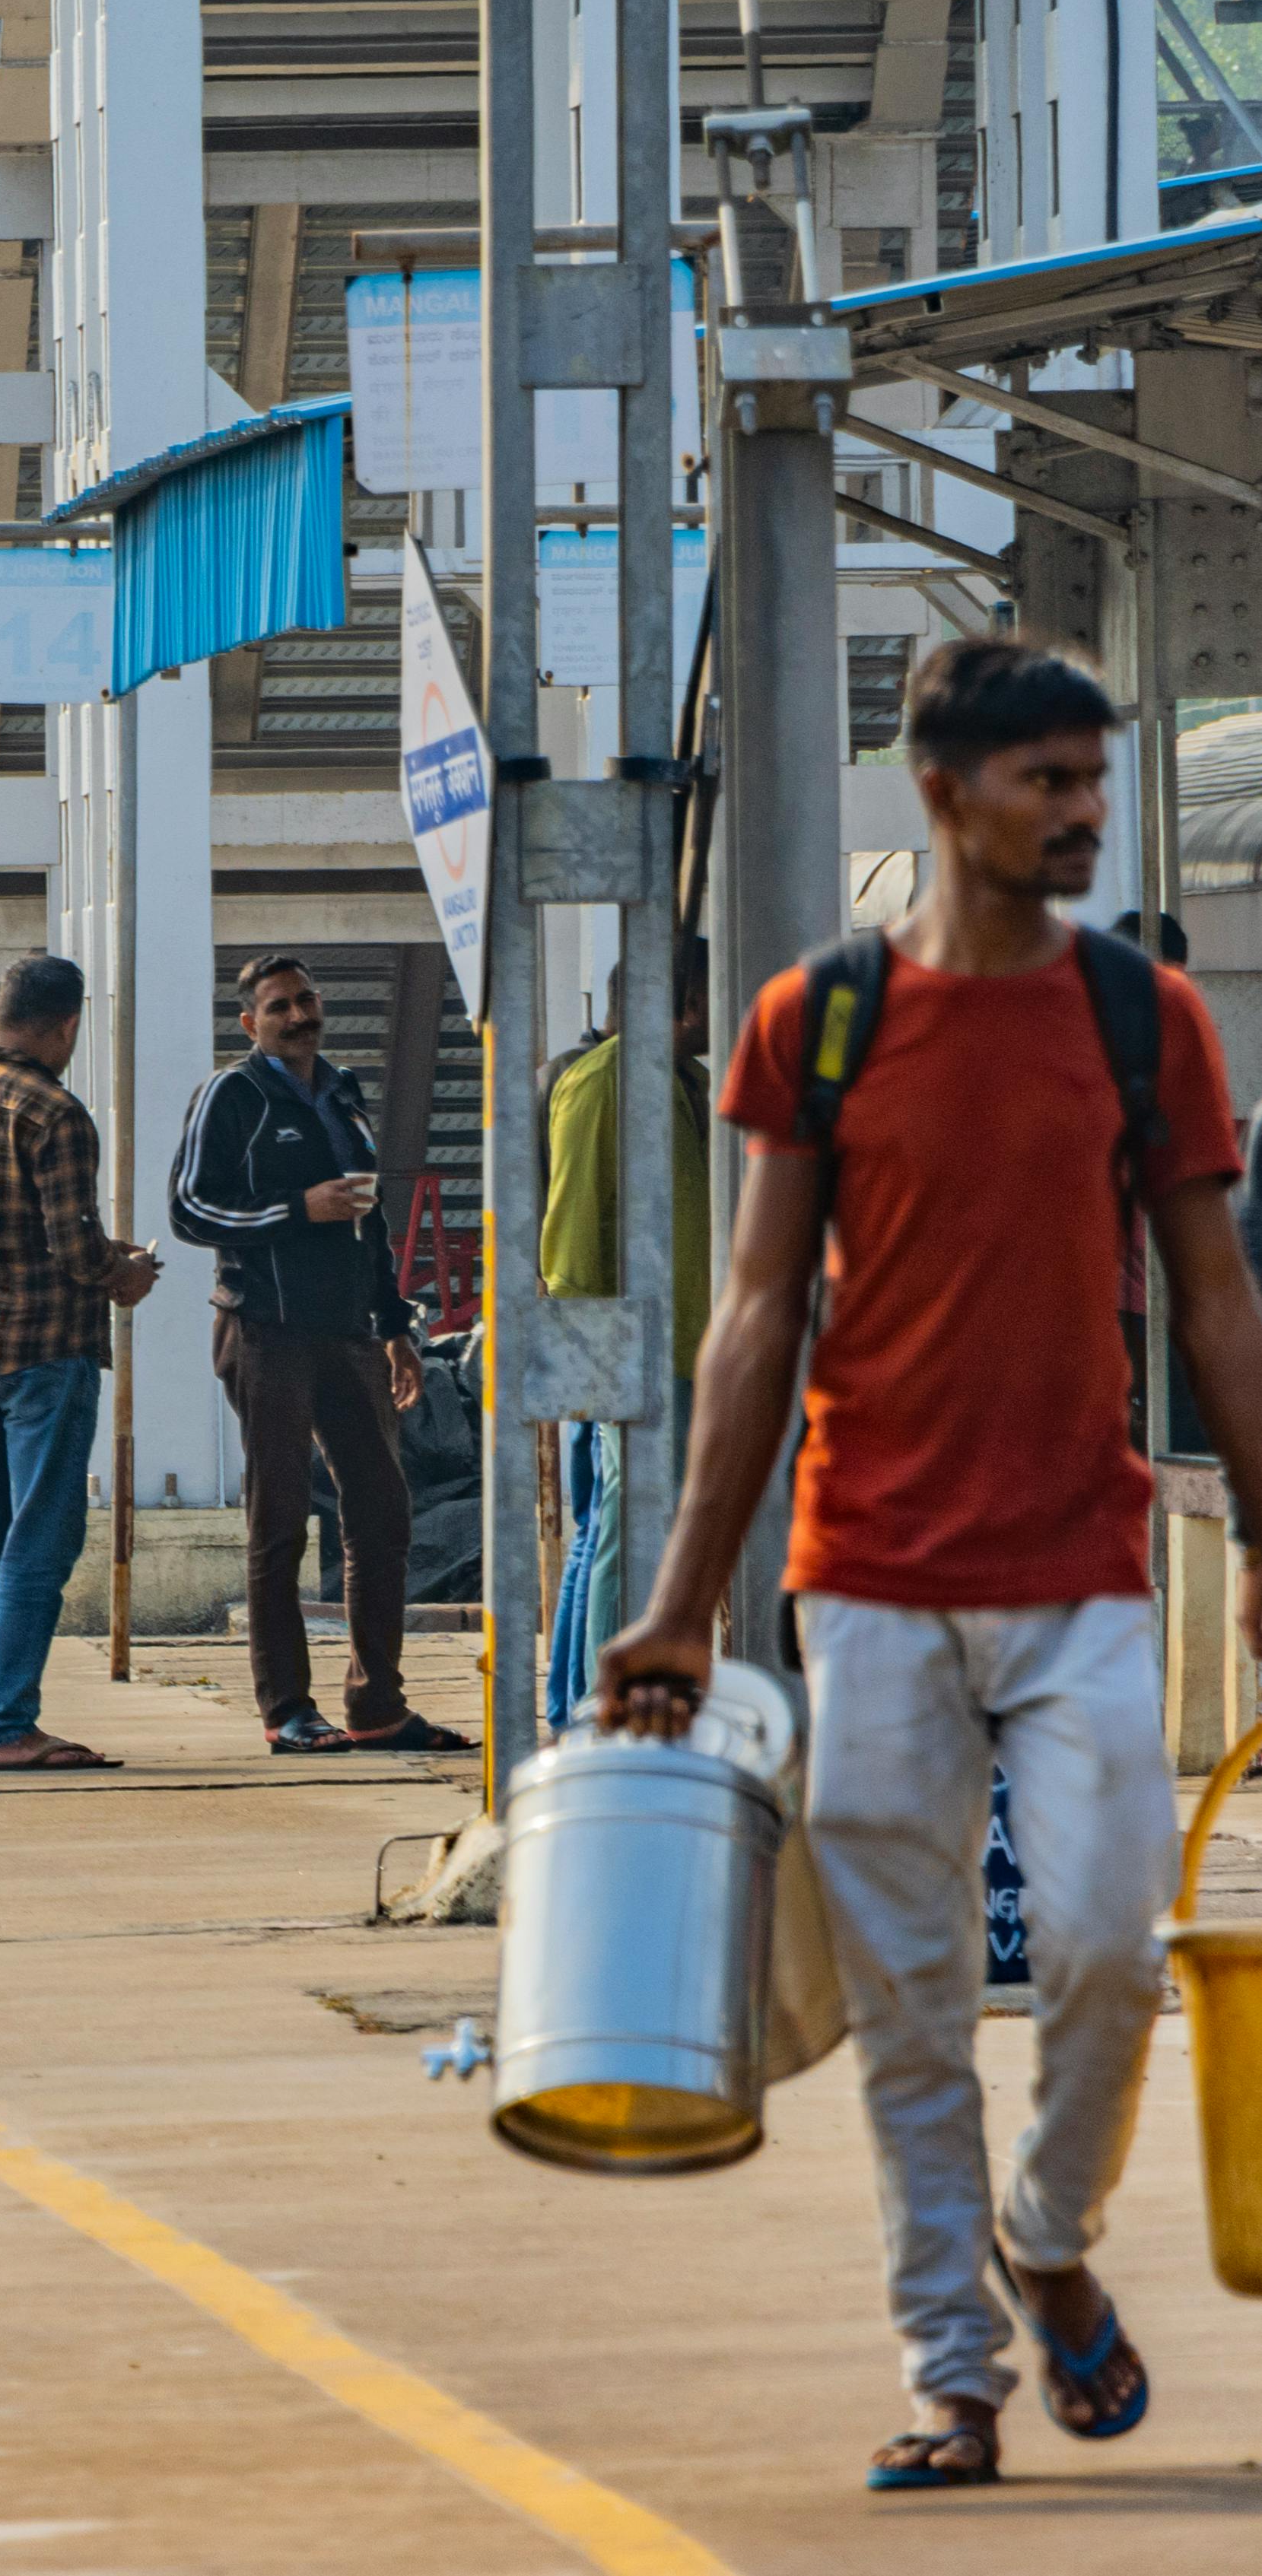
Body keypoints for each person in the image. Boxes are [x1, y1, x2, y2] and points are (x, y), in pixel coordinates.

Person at [601, 639, 1262, 2492]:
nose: (1082, 811)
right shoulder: (818, 1022)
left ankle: (1045, 2233)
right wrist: (679, 1602)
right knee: (910, 2005)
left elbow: (1216, 1297)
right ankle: (950, 2372)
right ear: (943, 791)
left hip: (1081, 1573)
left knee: (1107, 1951)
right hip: (869, 1580)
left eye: (1091, 779)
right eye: (1047, 780)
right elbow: (755, 1321)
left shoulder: (1143, 1017)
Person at [167, 954, 459, 1756]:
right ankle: (286, 1708)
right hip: (266, 1329)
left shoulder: (341, 1090)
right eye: (278, 1007)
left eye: (305, 1000)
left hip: (350, 1335)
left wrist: (395, 1328)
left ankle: (378, 1705)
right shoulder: (232, 1095)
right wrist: (298, 1207)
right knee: (280, 1521)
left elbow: (369, 1219)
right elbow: (189, 1209)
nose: (298, 1016)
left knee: (381, 1514)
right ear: (249, 1023)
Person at [0, 950, 163, 1771]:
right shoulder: (55, 1114)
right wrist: (124, 1271)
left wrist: (98, 1253)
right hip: (46, 1350)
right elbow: (73, 1250)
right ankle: (7, 1723)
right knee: (38, 1541)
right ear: (67, 1026)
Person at [540, 952, 709, 1726]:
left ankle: (585, 1701)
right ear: (684, 1001)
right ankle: (596, 1707)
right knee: (623, 1526)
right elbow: (572, 1236)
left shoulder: (682, 1081)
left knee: (633, 1524)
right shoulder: (602, 1081)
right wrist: (593, 1365)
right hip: (628, 1348)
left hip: (685, 1342)